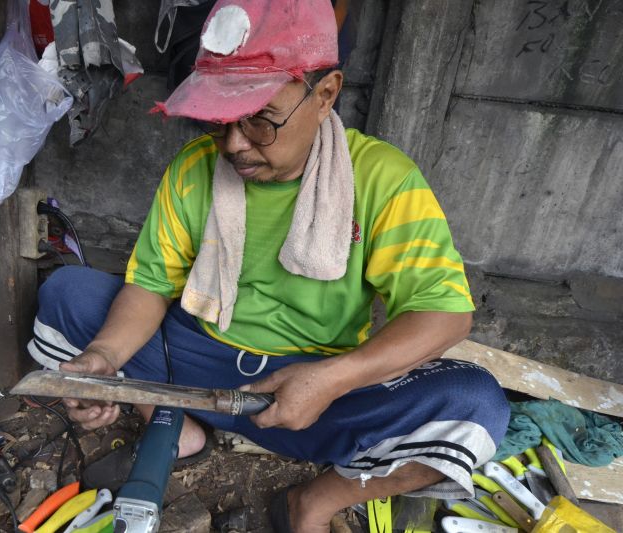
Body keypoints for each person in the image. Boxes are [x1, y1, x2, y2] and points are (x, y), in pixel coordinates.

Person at [28, 0, 511, 531]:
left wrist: (332, 378)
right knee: (68, 293)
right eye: (220, 121)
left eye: (260, 120)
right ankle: (167, 415)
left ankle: (317, 501)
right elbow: (149, 286)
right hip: (197, 364)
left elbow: (444, 315)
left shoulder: (383, 179)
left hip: (314, 390)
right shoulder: (193, 170)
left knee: (474, 405)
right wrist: (104, 358)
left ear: (325, 95)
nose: (235, 144)